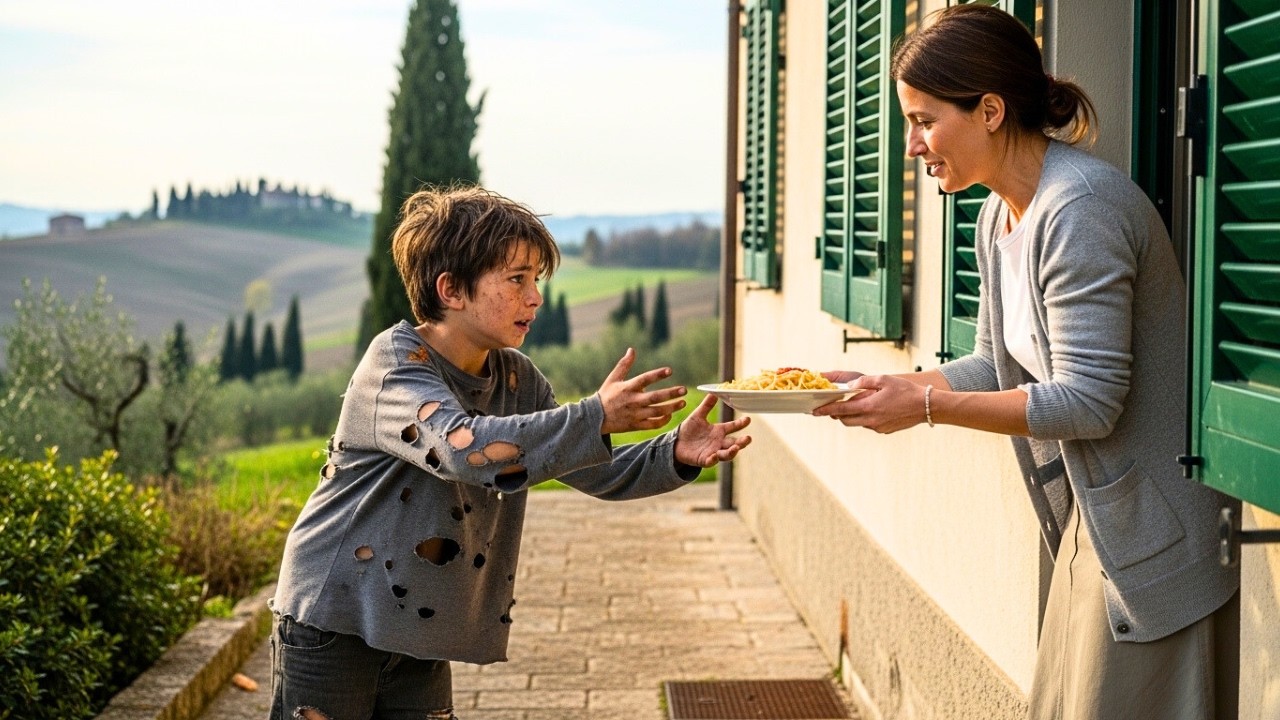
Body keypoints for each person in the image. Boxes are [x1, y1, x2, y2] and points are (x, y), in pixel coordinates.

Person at [812, 5, 1237, 719]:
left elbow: (1088, 401)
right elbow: (993, 363)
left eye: (923, 121)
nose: (912, 146)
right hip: (1098, 524)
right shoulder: (998, 215)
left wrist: (924, 406)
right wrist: (887, 385)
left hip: (1154, 537)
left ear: (989, 111)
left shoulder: (1079, 211)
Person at [268, 185, 751, 720]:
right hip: (333, 617)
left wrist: (675, 452)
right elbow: (464, 448)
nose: (535, 297)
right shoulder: (396, 364)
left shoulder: (516, 378)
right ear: (452, 289)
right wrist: (594, 415)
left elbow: (589, 463)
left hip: (417, 623)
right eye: (517, 279)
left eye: (536, 279)